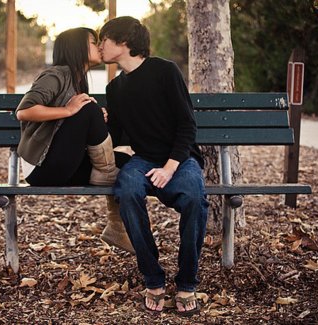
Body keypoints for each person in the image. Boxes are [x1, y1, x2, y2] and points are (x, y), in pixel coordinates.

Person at [99, 17, 209, 316]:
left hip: (180, 158)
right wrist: (103, 121)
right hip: (143, 159)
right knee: (128, 189)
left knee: (195, 200)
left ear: (122, 42)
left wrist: (171, 167)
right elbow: (120, 136)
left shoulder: (164, 70)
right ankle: (153, 279)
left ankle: (187, 284)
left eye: (103, 40)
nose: (99, 47)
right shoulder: (115, 87)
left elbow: (187, 125)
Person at [15, 27, 134, 254]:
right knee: (88, 110)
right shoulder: (56, 75)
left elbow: (72, 128)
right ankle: (107, 172)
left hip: (64, 162)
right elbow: (24, 111)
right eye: (93, 41)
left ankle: (116, 227)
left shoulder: (78, 80)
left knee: (127, 164)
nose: (99, 46)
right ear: (76, 47)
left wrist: (95, 120)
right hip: (43, 167)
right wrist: (70, 111)